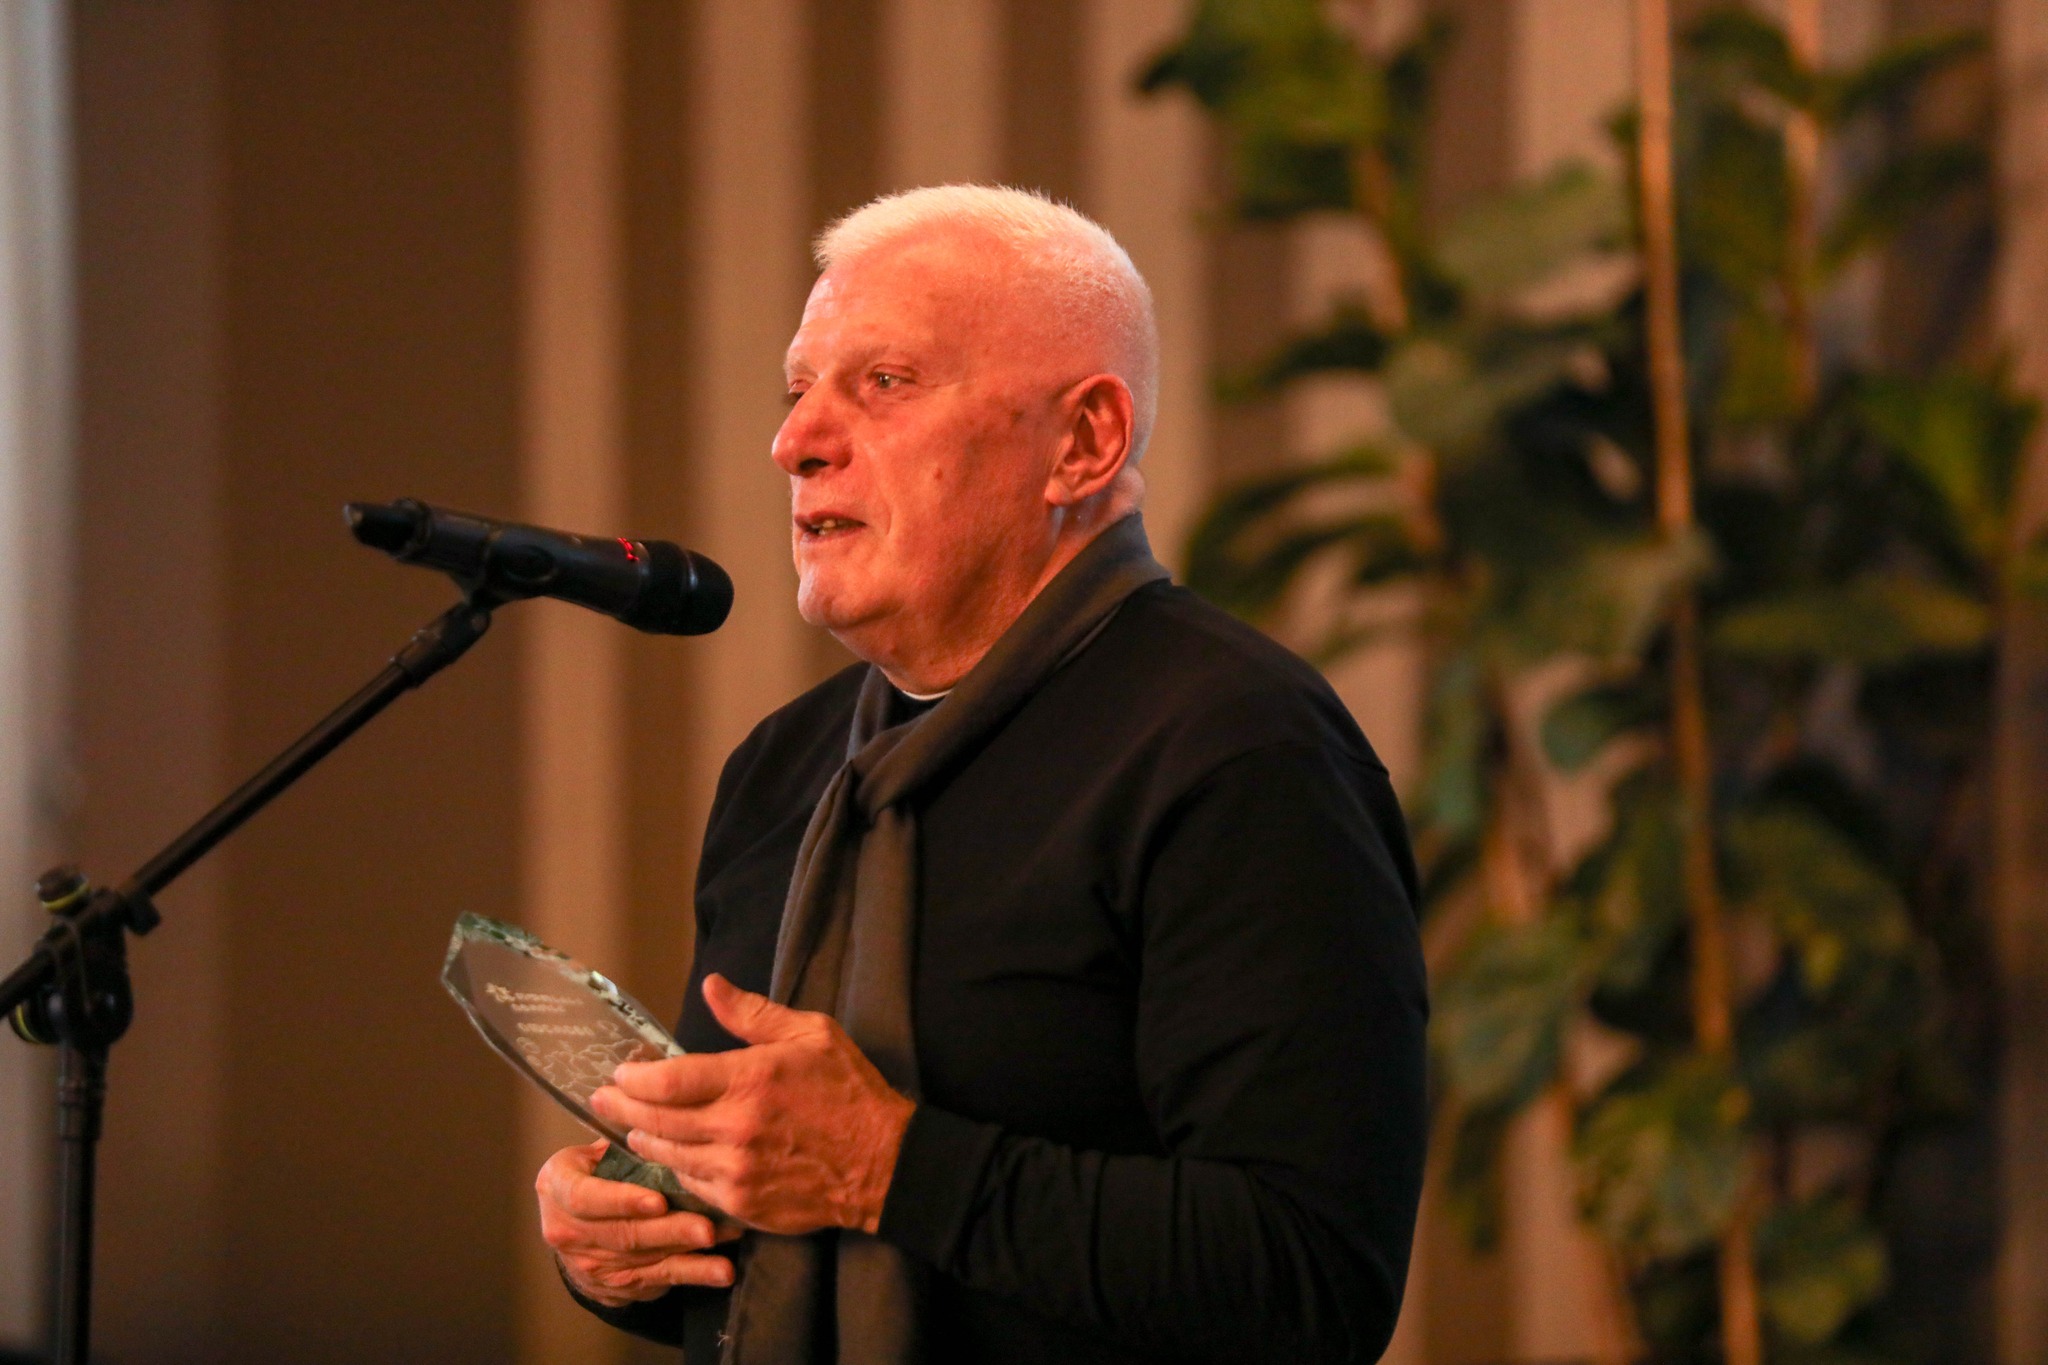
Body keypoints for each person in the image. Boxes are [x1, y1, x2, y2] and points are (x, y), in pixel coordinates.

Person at [533, 184, 1427, 1365]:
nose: (796, 442)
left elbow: (1308, 1283)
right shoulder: (786, 768)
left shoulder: (1236, 750)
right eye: (798, 392)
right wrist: (624, 1242)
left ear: (1082, 443)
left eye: (883, 382)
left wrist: (889, 1166)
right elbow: (766, 1229)